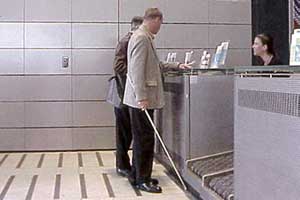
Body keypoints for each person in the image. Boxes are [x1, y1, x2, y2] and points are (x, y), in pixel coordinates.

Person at [123, 8, 191, 193]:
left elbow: (156, 65)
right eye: (160, 23)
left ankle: (137, 175)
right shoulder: (142, 38)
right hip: (142, 100)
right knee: (145, 139)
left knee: (141, 138)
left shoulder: (143, 37)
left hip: (140, 99)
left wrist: (177, 65)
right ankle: (142, 179)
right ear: (154, 19)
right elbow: (136, 70)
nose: (160, 27)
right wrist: (142, 97)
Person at [113, 16, 143, 178]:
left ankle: (124, 165)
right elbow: (118, 66)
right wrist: (134, 72)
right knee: (124, 132)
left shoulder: (129, 40)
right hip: (123, 93)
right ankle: (122, 165)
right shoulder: (128, 41)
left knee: (126, 131)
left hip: (125, 92)